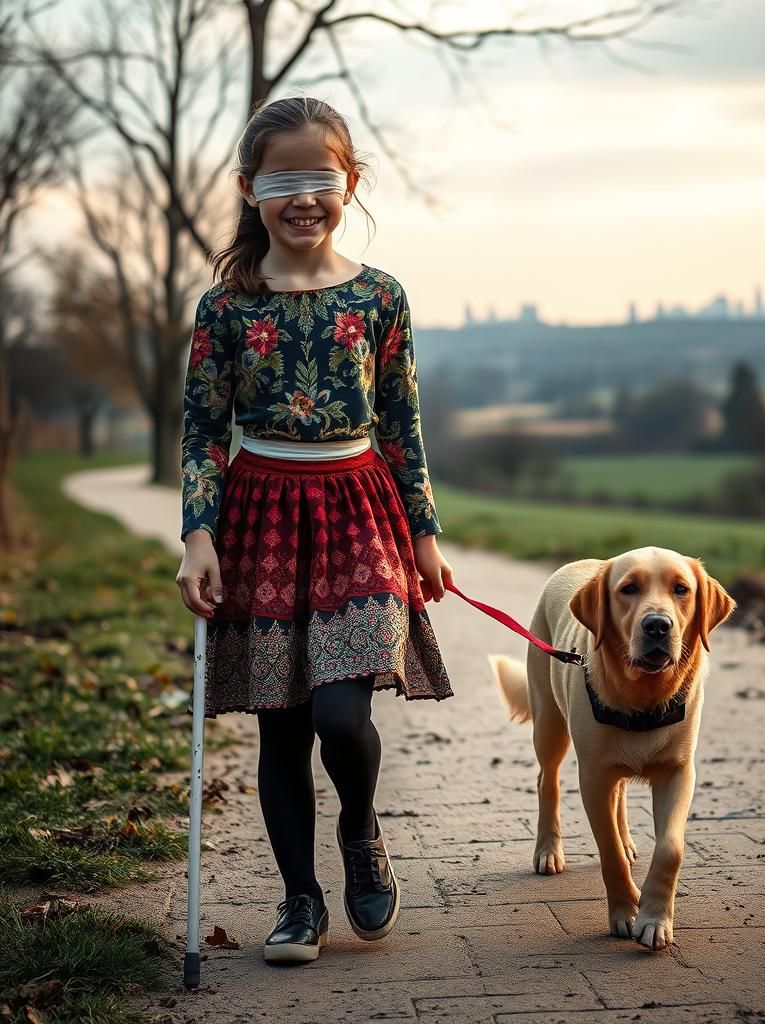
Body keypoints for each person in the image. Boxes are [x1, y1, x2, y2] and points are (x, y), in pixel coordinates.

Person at [175, 95, 455, 965]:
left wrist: (424, 533)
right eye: (281, 182)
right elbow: (202, 430)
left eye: (320, 180)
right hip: (261, 517)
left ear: (351, 183)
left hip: (360, 513)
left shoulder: (380, 297)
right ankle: (300, 900)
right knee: (284, 724)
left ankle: (361, 830)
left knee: (341, 713)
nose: (303, 199)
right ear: (248, 190)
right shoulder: (226, 308)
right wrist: (197, 535)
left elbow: (403, 422)